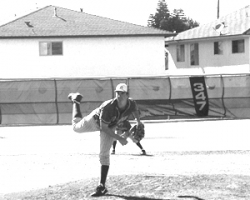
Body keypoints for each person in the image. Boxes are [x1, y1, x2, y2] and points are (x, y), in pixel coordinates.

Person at [68, 83, 142, 197]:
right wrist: (119, 139)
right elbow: (103, 127)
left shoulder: (131, 103)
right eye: (117, 92)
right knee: (76, 127)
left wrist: (138, 121)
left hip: (111, 125)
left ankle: (101, 186)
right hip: (96, 121)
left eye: (122, 93)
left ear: (127, 94)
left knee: (104, 155)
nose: (119, 95)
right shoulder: (109, 107)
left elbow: (135, 110)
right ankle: (76, 101)